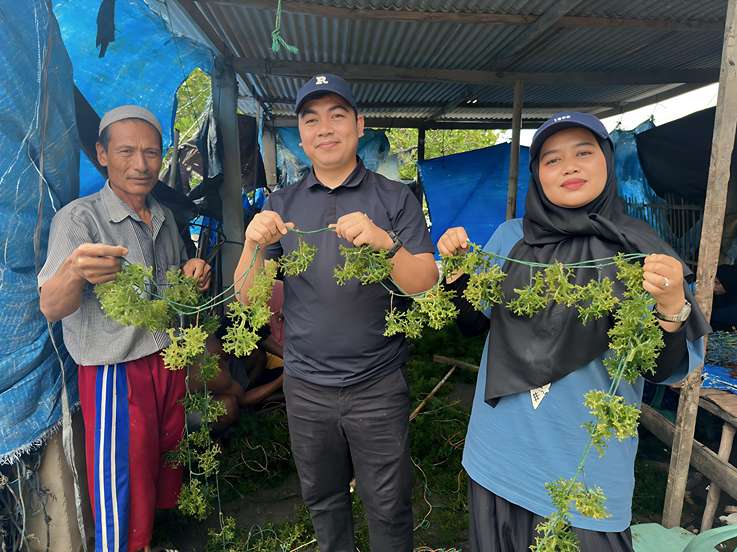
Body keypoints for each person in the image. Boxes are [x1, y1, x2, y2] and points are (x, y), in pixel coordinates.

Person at [437, 112, 711, 552]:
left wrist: (672, 307)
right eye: (552, 159)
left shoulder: (643, 253)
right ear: (538, 175)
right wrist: (457, 273)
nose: (569, 166)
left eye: (584, 152)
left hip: (587, 477)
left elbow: (667, 370)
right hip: (497, 459)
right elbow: (471, 323)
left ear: (605, 160)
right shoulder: (512, 239)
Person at [233, 74, 438, 551]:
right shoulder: (281, 204)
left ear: (359, 125)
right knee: (324, 501)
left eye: (337, 116)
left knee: (388, 504)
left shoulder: (393, 197)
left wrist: (386, 243)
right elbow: (250, 299)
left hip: (377, 383)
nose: (325, 129)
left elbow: (425, 281)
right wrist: (252, 245)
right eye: (311, 120)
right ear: (300, 135)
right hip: (306, 387)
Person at [38, 105, 211, 552]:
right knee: (122, 479)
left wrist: (192, 273)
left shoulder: (165, 217)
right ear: (101, 154)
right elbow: (52, 306)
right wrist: (75, 270)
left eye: (151, 153)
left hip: (166, 361)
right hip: (116, 372)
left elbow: (172, 288)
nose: (141, 164)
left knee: (165, 462)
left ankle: (157, 539)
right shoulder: (80, 220)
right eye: (127, 151)